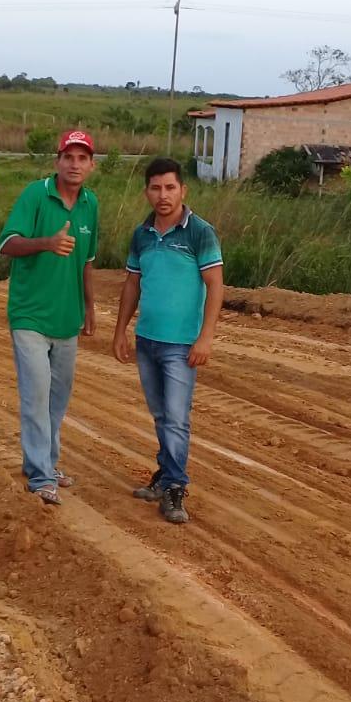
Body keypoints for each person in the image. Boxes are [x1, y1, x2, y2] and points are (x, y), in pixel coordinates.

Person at [113, 157, 223, 524]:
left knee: (176, 417)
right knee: (162, 415)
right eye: (156, 188)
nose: (163, 195)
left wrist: (205, 338)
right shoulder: (141, 234)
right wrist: (121, 330)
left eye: (170, 187)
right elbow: (131, 284)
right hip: (147, 340)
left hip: (181, 345)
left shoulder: (199, 232)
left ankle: (175, 487)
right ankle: (165, 475)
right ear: (147, 192)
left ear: (183, 191)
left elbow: (215, 285)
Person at [0, 130, 98, 505]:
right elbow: (7, 244)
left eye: (82, 158)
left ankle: (42, 462)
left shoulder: (90, 204)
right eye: (68, 157)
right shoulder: (35, 195)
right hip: (29, 316)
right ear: (57, 161)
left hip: (67, 319)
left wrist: (89, 309)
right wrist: (46, 243)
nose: (74, 164)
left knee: (57, 399)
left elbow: (88, 262)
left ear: (91, 165)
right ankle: (41, 477)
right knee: (36, 396)